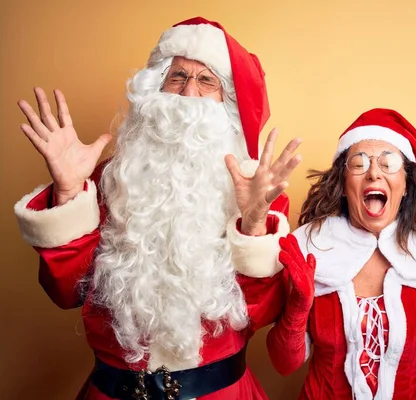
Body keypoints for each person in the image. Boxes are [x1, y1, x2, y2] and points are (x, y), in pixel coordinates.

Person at [13, 16, 301, 400]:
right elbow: (65, 293)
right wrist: (67, 193)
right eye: (177, 76)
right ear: (156, 89)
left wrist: (251, 224)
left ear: (227, 105)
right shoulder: (110, 179)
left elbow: (261, 315)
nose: (187, 93)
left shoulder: (257, 191)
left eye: (207, 80)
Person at [266, 108, 416, 399]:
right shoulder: (310, 250)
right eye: (358, 164)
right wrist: (297, 306)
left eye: (389, 163)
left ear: (407, 185)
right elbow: (283, 364)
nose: (373, 172)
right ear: (343, 187)